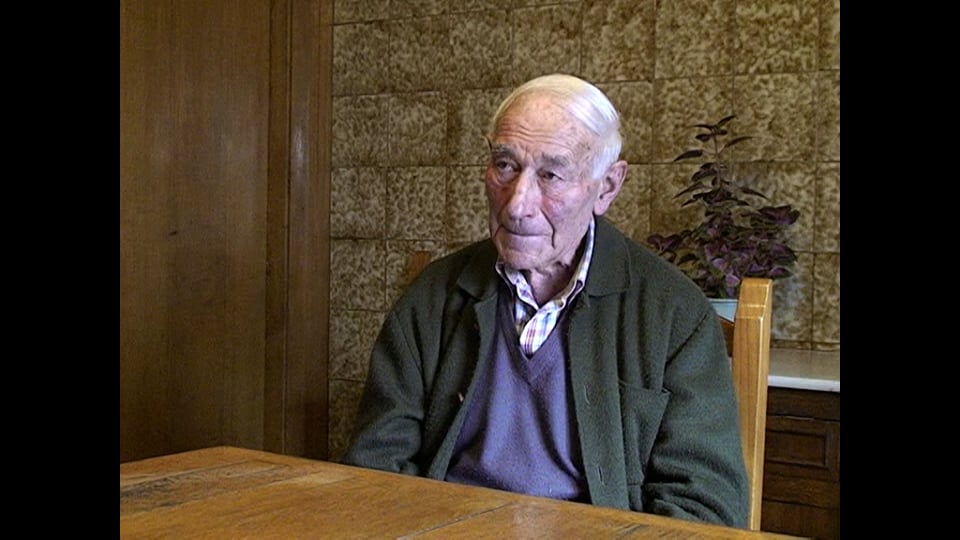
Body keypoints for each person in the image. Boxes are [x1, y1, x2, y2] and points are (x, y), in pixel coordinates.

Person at [341, 73, 749, 528]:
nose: (517, 205)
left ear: (607, 187)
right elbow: (375, 471)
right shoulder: (432, 297)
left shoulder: (674, 314)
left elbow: (704, 510)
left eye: (551, 175)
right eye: (505, 165)